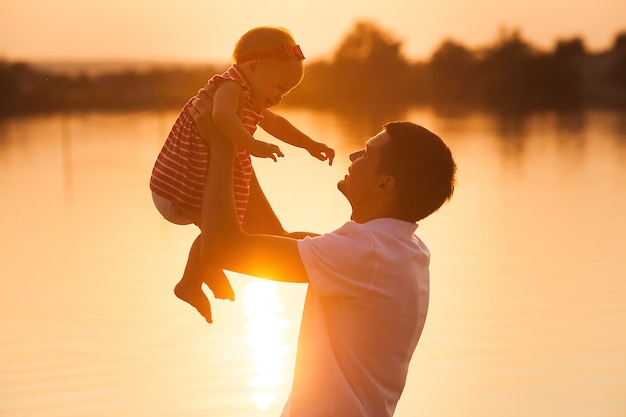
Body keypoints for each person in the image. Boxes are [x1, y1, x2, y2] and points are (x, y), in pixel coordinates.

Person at [189, 86, 457, 416]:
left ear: (384, 185)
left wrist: (221, 146)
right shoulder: (398, 249)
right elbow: (272, 236)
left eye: (366, 153)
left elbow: (224, 248)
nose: (354, 157)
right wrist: (240, 141)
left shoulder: (366, 254)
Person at [149, 26, 335, 323]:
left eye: (286, 92)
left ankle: (198, 274)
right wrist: (250, 144)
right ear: (253, 66)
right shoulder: (230, 87)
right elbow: (220, 116)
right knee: (219, 235)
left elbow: (276, 125)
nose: (280, 97)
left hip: (203, 178)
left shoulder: (249, 95)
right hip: (183, 182)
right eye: (278, 87)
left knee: (241, 234)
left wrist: (310, 144)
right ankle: (194, 278)